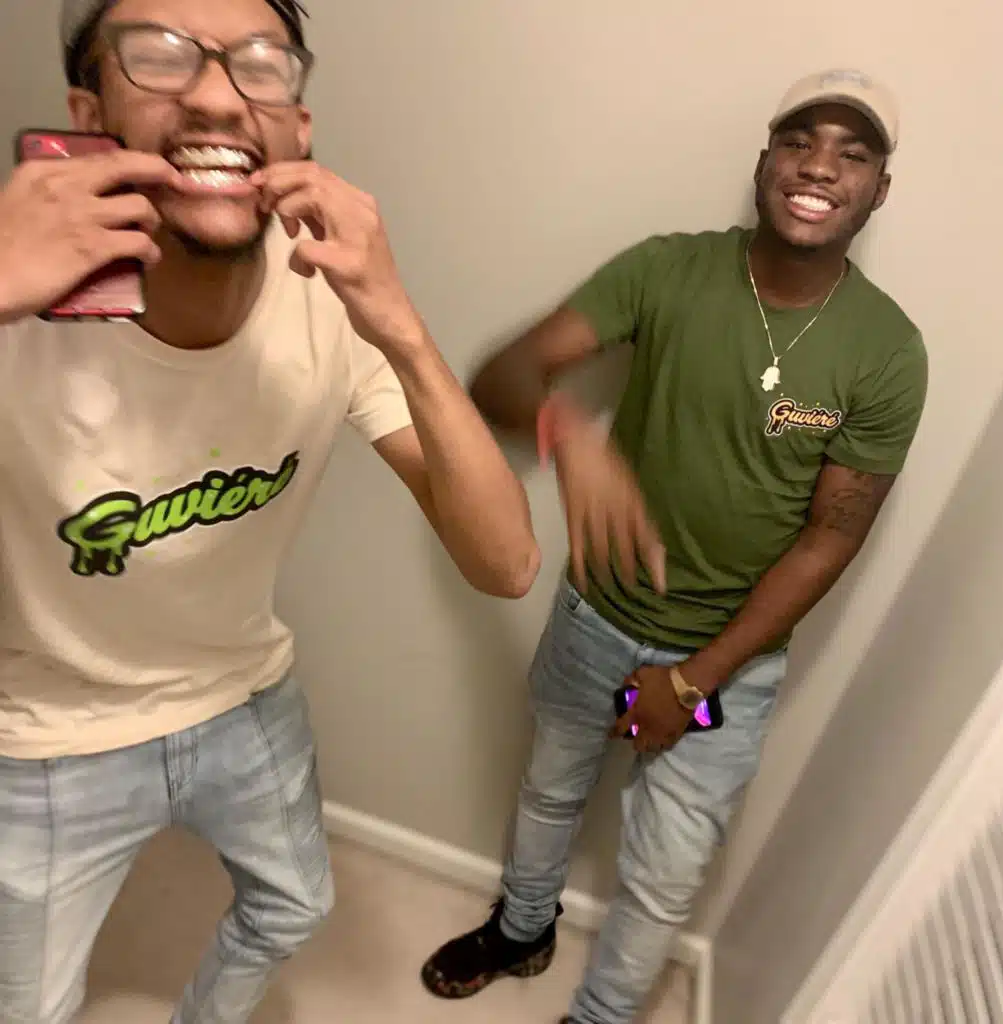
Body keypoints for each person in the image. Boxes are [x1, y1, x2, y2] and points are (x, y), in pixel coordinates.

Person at [0, 0, 541, 1021]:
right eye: (160, 57)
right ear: (88, 112)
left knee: (295, 904)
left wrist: (402, 326)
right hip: (46, 730)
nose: (216, 96)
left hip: (242, 691)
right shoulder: (15, 310)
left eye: (258, 64)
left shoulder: (330, 303)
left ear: (297, 128)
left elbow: (507, 564)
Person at [421, 69, 928, 1023]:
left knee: (664, 874)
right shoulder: (668, 268)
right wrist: (568, 433)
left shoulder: (887, 351)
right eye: (800, 142)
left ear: (879, 188)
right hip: (596, 617)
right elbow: (500, 375)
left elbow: (830, 540)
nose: (820, 167)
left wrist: (691, 683)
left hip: (728, 665)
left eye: (852, 154)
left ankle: (603, 1016)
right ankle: (521, 930)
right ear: (765, 162)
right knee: (548, 791)